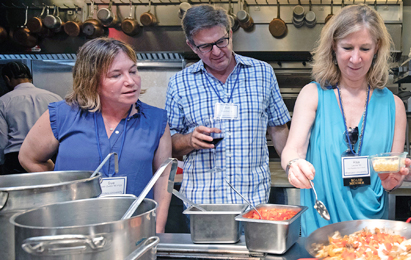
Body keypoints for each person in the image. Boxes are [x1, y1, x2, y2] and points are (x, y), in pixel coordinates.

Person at [19, 38, 172, 233]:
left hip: (133, 229)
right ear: (91, 81)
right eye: (116, 75)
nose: (130, 81)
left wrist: (157, 228)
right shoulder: (63, 114)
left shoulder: (157, 120)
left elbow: (163, 177)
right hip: (72, 228)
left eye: (133, 71)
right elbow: (28, 158)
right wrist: (62, 188)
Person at [281, 4, 410, 236]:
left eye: (365, 48)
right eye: (347, 47)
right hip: (322, 222)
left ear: (377, 48)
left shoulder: (395, 106)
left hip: (372, 228)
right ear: (333, 46)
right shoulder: (313, 95)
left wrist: (394, 180)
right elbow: (293, 150)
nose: (355, 58)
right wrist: (293, 165)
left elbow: (391, 175)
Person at [166, 5, 290, 207]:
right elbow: (169, 146)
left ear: (230, 34)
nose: (216, 52)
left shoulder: (262, 73)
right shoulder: (179, 83)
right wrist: (189, 140)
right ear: (191, 46)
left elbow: (278, 128)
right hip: (201, 203)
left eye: (221, 41)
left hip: (254, 202)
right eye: (205, 46)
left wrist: (291, 165)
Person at [0, 61, 61, 174]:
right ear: (30, 78)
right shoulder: (55, 98)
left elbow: (2, 141)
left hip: (16, 159)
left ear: (7, 79)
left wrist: (2, 163)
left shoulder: (4, 101)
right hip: (50, 156)